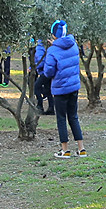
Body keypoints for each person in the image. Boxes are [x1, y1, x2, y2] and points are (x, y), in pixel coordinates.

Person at [41, 20, 86, 157]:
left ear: (54, 35)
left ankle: (65, 150)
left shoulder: (52, 50)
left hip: (60, 89)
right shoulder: (73, 45)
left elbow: (49, 72)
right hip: (74, 87)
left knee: (61, 118)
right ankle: (81, 148)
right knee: (73, 116)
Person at [32, 35, 54, 115]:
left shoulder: (39, 47)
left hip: (45, 72)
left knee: (36, 87)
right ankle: (51, 108)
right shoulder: (43, 47)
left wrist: (34, 67)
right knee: (48, 90)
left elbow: (41, 61)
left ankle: (40, 106)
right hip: (48, 71)